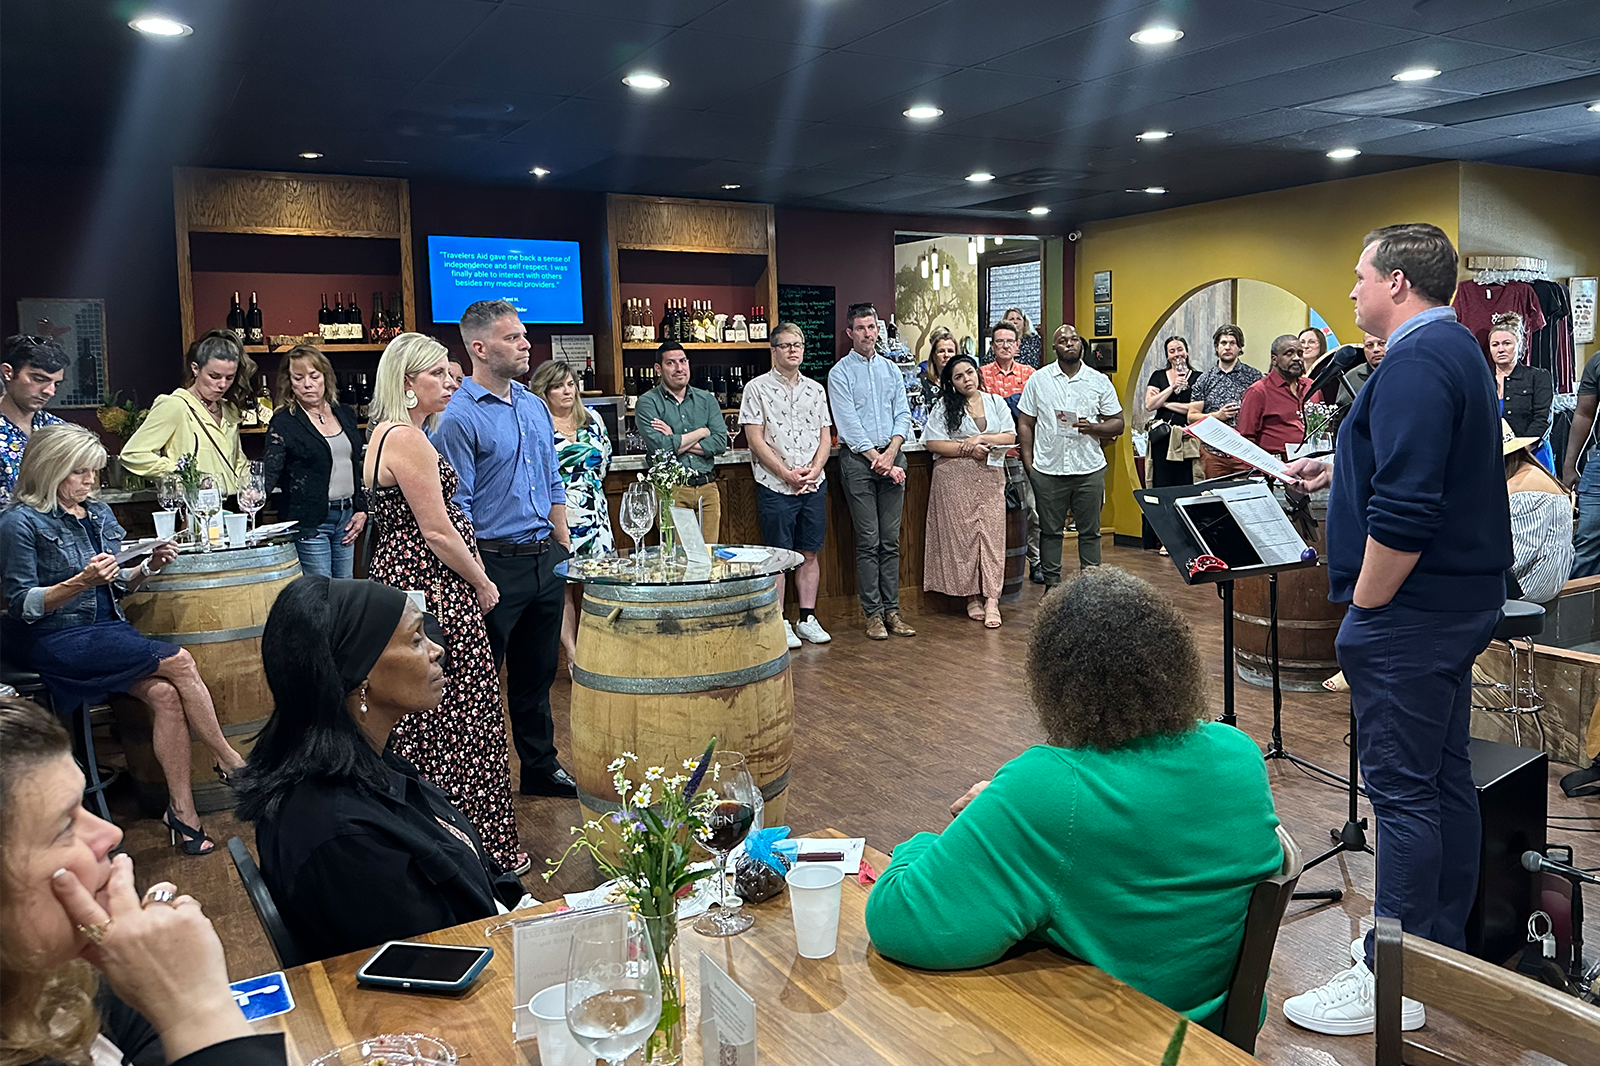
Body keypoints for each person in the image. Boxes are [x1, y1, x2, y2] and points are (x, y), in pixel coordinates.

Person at [864, 567, 1282, 1032]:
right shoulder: (1238, 752)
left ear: (1053, 682)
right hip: (1217, 1031)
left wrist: (929, 841)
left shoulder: (1051, 787)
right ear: (1176, 661)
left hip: (1114, 1038)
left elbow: (899, 923)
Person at [1282, 223, 1509, 1036]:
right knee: (1443, 778)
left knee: (1402, 793)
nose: (1351, 290)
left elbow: (1408, 511)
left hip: (1411, 613)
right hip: (1453, 605)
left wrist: (1368, 610)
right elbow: (1420, 463)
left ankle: (1394, 980)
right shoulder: (1454, 349)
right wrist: (1339, 465)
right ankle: (1435, 952)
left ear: (1398, 283)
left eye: (1360, 275)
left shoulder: (1414, 361)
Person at [237, 578, 528, 961]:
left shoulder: (369, 763)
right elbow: (434, 963)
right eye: (416, 639)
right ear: (361, 672)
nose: (437, 650)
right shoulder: (343, 836)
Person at [0, 423, 245, 857]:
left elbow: (117, 585)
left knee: (166, 695)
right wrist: (80, 581)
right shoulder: (19, 522)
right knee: (180, 660)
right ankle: (231, 761)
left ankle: (182, 813)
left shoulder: (97, 513)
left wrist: (148, 566)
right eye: (80, 472)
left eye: (94, 471)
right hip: (53, 636)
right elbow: (22, 604)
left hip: (105, 630)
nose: (90, 481)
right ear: (50, 469)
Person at [0, 696, 281, 1066]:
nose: (111, 834)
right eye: (65, 826)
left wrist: (161, 984)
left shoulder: (55, 977)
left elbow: (147, 1043)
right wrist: (196, 1009)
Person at [363, 331, 525, 871]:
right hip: (436, 587)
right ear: (408, 382)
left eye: (450, 373)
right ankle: (483, 849)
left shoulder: (384, 434)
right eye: (437, 374)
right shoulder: (407, 439)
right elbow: (436, 531)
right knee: (463, 714)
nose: (450, 382)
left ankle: (437, 841)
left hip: (407, 580)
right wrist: (481, 579)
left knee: (426, 717)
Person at [432, 301, 573, 801]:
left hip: (544, 557)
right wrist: (477, 576)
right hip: (492, 563)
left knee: (537, 676)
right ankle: (474, 780)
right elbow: (458, 506)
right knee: (478, 681)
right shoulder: (457, 417)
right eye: (512, 337)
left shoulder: (533, 406)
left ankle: (540, 768)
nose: (525, 344)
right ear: (479, 348)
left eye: (523, 335)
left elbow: (552, 480)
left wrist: (562, 544)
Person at [739, 321, 833, 649]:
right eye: (786, 345)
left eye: (798, 345)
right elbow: (755, 439)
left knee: (809, 552)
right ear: (774, 350)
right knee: (779, 555)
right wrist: (785, 473)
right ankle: (779, 621)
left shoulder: (816, 390)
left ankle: (807, 618)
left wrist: (814, 470)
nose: (793, 350)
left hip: (812, 484)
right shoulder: (757, 388)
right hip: (775, 484)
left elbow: (825, 436)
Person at [828, 304, 915, 641]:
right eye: (861, 328)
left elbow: (903, 414)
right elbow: (847, 423)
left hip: (893, 457)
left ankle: (893, 612)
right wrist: (876, 458)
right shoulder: (840, 373)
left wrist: (891, 454)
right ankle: (873, 615)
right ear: (850, 333)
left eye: (872, 327)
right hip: (858, 462)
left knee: (890, 541)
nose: (867, 333)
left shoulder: (891, 370)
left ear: (879, 329)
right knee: (869, 541)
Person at [1017, 324, 1124, 586]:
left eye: (1074, 339)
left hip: (1088, 468)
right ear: (1054, 347)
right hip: (1048, 469)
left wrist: (1094, 427)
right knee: (1050, 532)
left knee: (1090, 532)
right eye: (1063, 340)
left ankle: (1091, 587)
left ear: (1081, 345)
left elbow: (1118, 423)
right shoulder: (1038, 380)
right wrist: (1029, 464)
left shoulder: (1099, 381)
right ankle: (1052, 587)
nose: (1069, 343)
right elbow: (1025, 422)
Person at [529, 359, 612, 670]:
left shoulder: (593, 419)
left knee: (598, 583)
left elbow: (604, 463)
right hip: (558, 515)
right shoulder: (537, 424)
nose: (567, 391)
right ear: (544, 391)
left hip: (595, 514)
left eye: (570, 384)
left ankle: (598, 649)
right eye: (558, 386)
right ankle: (573, 653)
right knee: (562, 586)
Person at [923, 354, 1016, 628]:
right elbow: (933, 442)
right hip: (954, 477)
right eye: (959, 377)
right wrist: (967, 450)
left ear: (978, 373)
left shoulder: (995, 402)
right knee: (963, 538)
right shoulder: (944, 406)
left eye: (969, 373)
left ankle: (992, 601)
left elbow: (1010, 436)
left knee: (992, 537)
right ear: (951, 383)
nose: (966, 380)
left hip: (990, 476)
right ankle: (971, 596)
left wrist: (980, 438)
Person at [261, 344, 367, 578]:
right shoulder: (284, 422)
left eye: (314, 376)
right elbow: (270, 471)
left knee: (345, 591)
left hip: (347, 517)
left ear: (325, 377)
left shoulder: (344, 413)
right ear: (289, 383)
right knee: (320, 592)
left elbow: (356, 466)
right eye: (298, 378)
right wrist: (252, 498)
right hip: (310, 522)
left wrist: (362, 509)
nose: (307, 384)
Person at [120, 330, 255, 495]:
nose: (222, 384)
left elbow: (237, 462)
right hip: (193, 504)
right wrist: (184, 475)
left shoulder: (229, 409)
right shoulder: (175, 405)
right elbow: (133, 454)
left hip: (232, 504)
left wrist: (249, 485)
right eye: (214, 376)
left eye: (229, 378)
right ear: (195, 369)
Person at [636, 340, 728, 543]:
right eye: (671, 363)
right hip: (672, 491)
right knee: (678, 557)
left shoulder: (706, 399)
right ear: (658, 369)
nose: (679, 368)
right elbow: (660, 447)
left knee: (708, 555)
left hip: (708, 489)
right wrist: (702, 432)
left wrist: (674, 437)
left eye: (683, 361)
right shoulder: (648, 402)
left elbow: (720, 442)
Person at [981, 321, 1040, 580]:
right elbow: (983, 413)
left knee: (1032, 510)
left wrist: (1004, 405)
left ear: (1018, 345)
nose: (1004, 346)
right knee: (994, 514)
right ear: (992, 346)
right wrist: (1013, 405)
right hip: (990, 456)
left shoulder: (1030, 374)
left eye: (1009, 341)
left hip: (1024, 453)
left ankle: (1036, 561)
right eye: (999, 342)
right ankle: (996, 568)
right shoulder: (981, 374)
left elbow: (1034, 413)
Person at [1501, 420, 1573, 603]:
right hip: (1546, 580)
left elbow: (1515, 559)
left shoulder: (1522, 487)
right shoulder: (1529, 471)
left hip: (1529, 586)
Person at [1186, 324, 1262, 480]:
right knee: (1214, 493)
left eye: (1232, 343)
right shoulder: (1204, 379)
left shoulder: (1254, 377)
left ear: (1240, 347)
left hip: (1245, 450)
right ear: (1216, 347)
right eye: (1223, 343)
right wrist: (1217, 416)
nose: (1227, 347)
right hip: (1213, 453)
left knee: (1246, 492)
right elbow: (1191, 416)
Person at [1142, 336, 1195, 553]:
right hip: (1162, 439)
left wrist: (1164, 403)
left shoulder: (1198, 377)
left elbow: (1195, 410)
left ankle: (1187, 538)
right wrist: (1171, 387)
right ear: (1167, 355)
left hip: (1186, 439)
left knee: (1185, 486)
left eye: (1179, 349)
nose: (1176, 354)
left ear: (1187, 351)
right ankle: (1167, 540)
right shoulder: (1158, 376)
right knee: (1162, 487)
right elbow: (1149, 405)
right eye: (1171, 351)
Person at [0, 335, 67, 507]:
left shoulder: (57, 430)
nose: (50, 391)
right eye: (39, 379)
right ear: (8, 372)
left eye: (56, 384)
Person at [1487, 312, 1554, 471]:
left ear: (1519, 345)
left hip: (1532, 455)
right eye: (1495, 345)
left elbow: (1543, 419)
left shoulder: (1538, 377)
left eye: (1507, 343)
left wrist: (1521, 452)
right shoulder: (1483, 381)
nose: (1501, 349)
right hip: (1494, 459)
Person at [1237, 334, 1314, 457]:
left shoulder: (1312, 387)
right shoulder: (1258, 391)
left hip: (1314, 461)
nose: (1296, 358)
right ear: (1274, 359)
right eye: (1289, 354)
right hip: (1276, 463)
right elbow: (1245, 438)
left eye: (1300, 354)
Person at [1564, 347, 1600, 577]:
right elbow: (1584, 413)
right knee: (1587, 543)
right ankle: (1580, 598)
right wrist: (1569, 465)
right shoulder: (1597, 362)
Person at [917, 326, 957, 410]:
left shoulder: (962, 381)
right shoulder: (922, 382)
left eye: (950, 351)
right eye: (941, 351)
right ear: (933, 356)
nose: (946, 355)